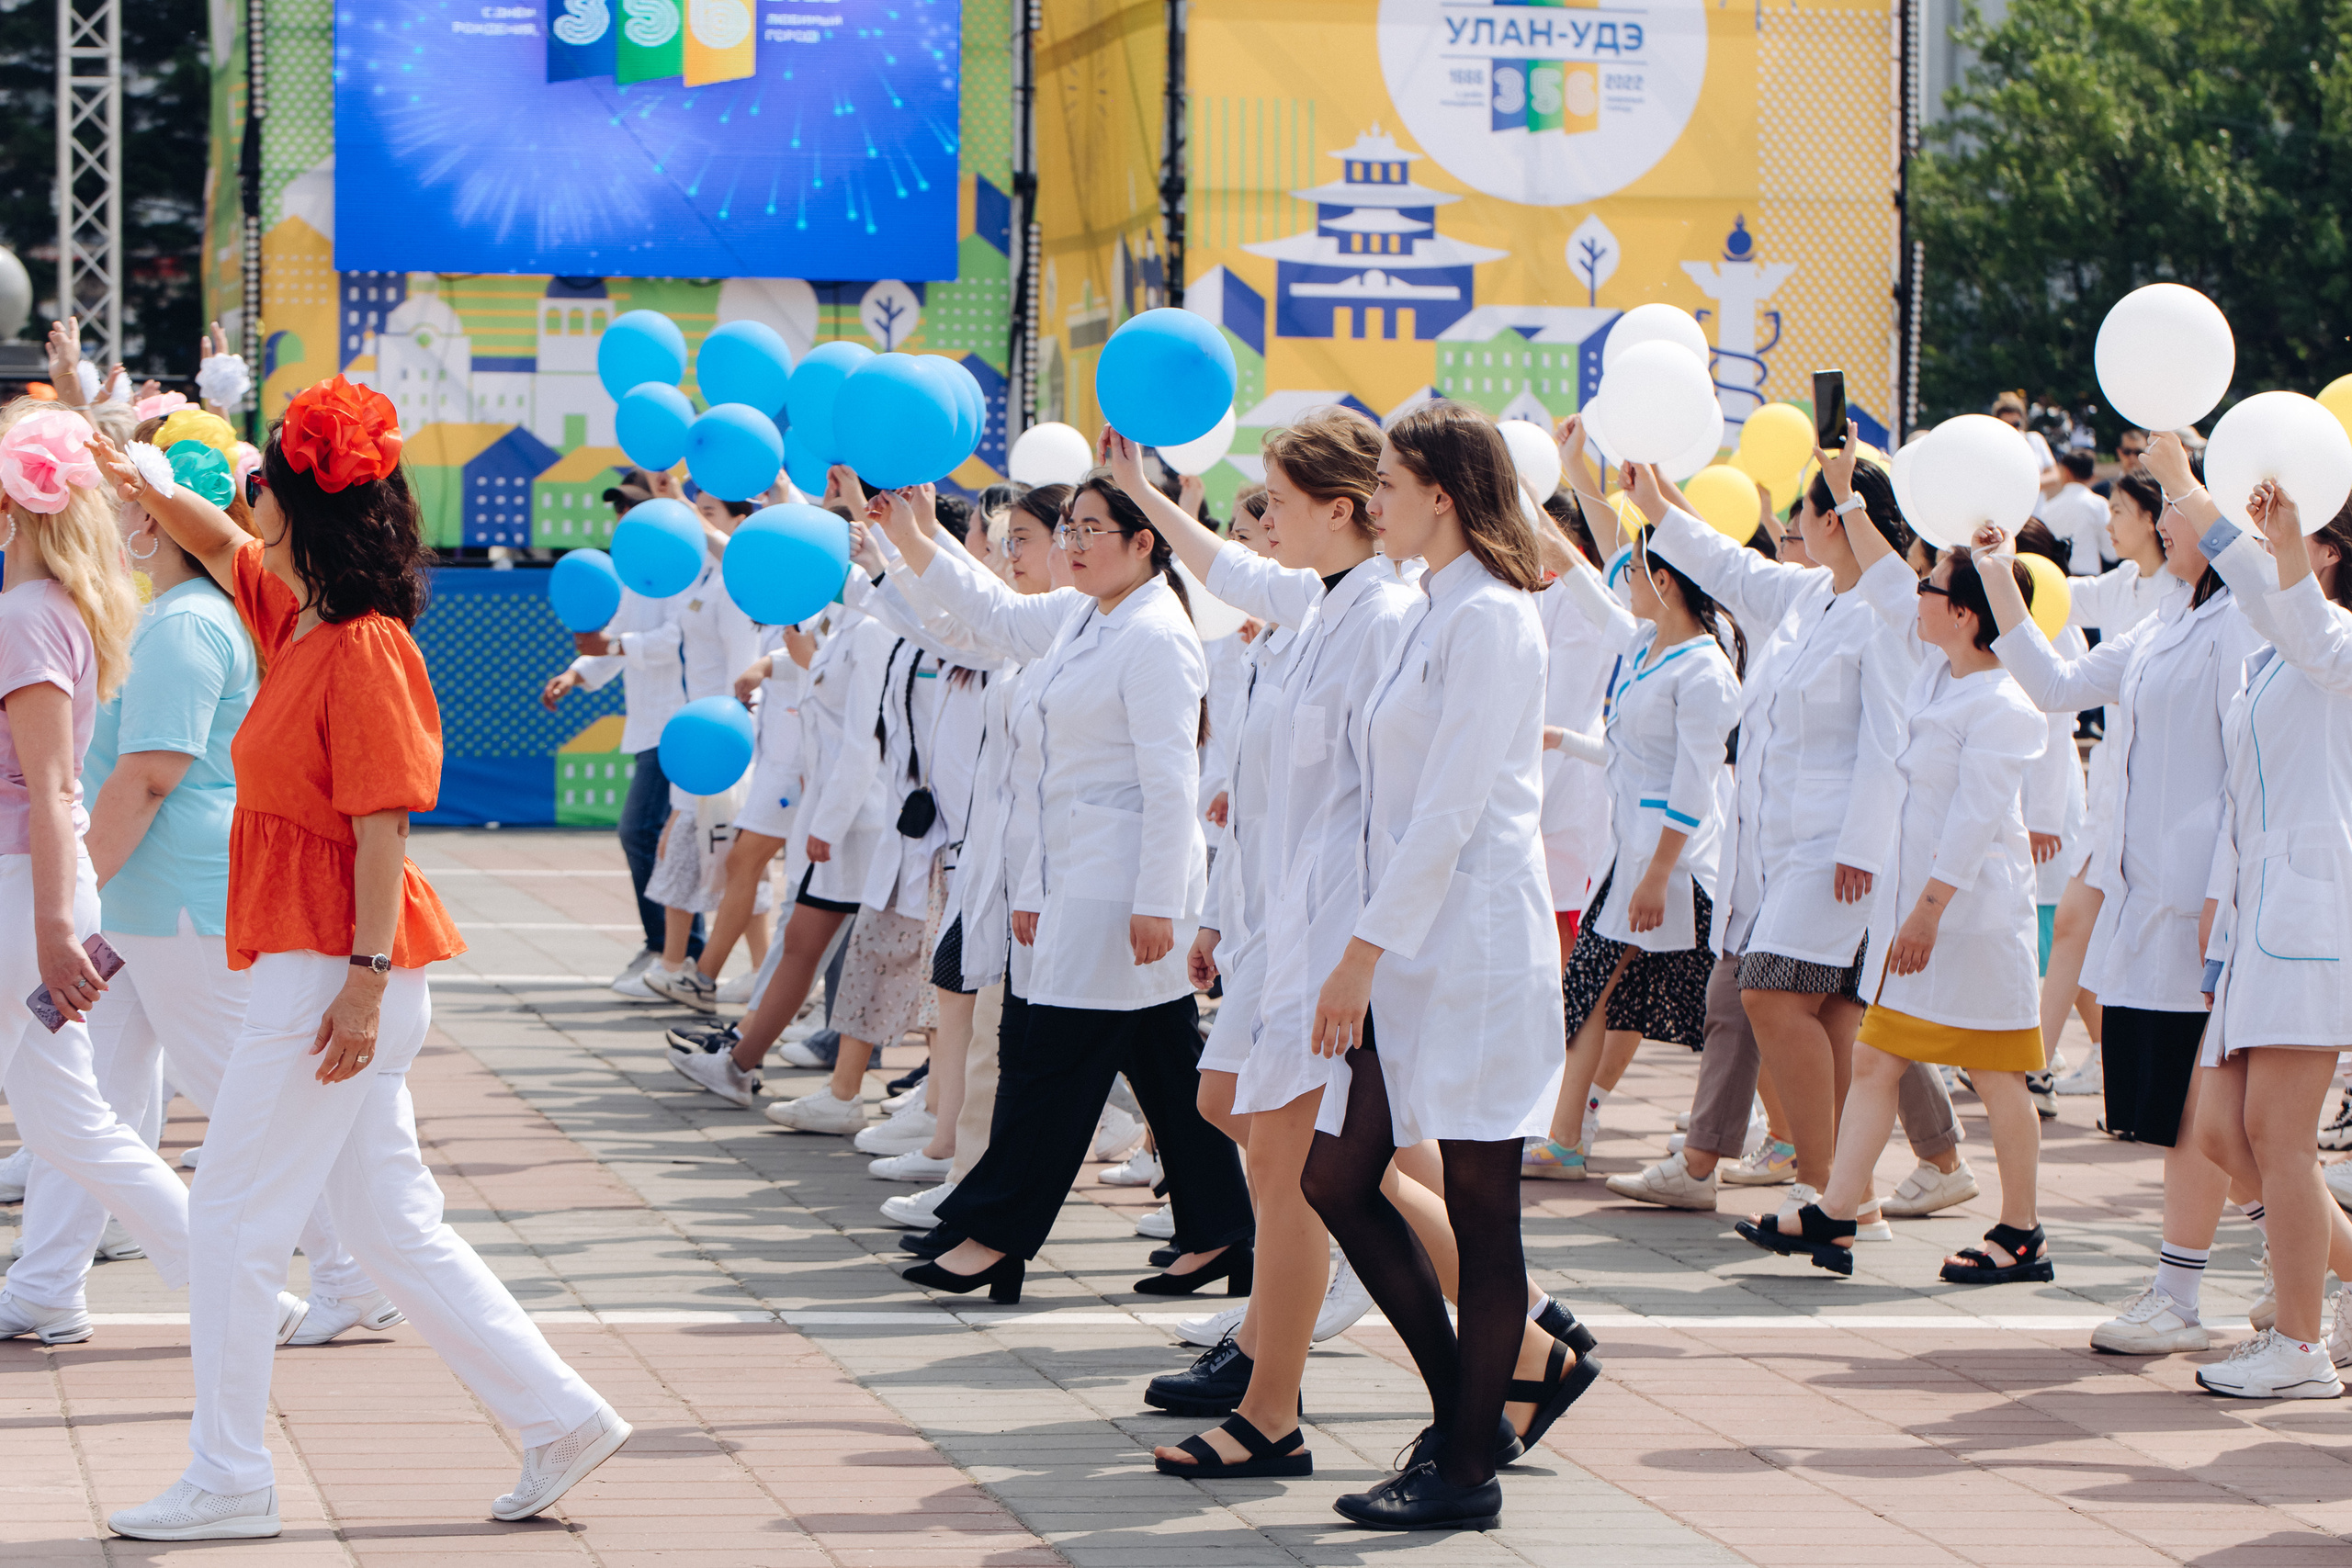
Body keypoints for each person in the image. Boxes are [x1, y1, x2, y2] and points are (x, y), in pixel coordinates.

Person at [92, 378, 626, 1540]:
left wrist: (364, 984)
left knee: (233, 1219)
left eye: (263, 487)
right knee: (389, 1225)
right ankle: (559, 1415)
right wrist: (137, 473)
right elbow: (218, 533)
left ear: (298, 507)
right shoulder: (301, 619)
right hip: (330, 967)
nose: (248, 503)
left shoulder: (362, 644)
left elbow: (386, 821)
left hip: (334, 969)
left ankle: (229, 1477)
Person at [12, 432, 400, 1348]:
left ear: (153, 521)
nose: (108, 521)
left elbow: (149, 775)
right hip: (147, 899)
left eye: (126, 508)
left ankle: (346, 1272)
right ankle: (45, 1283)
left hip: (172, 894)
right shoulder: (194, 608)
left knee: (239, 1097)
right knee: (89, 1103)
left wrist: (70, 891)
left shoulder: (186, 624)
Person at [1092, 412, 1413, 1480]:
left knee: (1294, 1169)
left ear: (1340, 507)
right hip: (1281, 927)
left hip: (1330, 936)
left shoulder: (1383, 617)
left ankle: (1269, 1408)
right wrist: (1136, 488)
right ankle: (1529, 1337)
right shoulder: (1314, 604)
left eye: (1275, 496)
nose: (1260, 515)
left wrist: (1359, 956)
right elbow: (1222, 562)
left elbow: (1395, 809)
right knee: (1233, 1113)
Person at [879, 468, 1253, 1307]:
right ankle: (1225, 1226)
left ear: (1143, 543)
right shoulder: (1086, 614)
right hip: (1068, 880)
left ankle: (995, 1232)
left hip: (1120, 893)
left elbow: (1171, 780)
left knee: (1047, 1062)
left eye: (1092, 530)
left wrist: (1160, 897)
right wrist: (912, 538)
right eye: (1071, 530)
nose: (1074, 544)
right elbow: (995, 615)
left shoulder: (1155, 635)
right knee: (1166, 1069)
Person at [1298, 401, 1566, 1532]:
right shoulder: (1424, 609)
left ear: (1443, 496)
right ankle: (1468, 1415)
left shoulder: (1494, 621)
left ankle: (1463, 1466)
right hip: (1416, 943)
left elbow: (1451, 811)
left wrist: (1356, 954)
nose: (1376, 505)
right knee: (1334, 1180)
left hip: (1474, 949)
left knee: (1481, 1205)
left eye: (1392, 487)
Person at [1984, 428, 2261, 1358]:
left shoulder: (2243, 627)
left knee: (2212, 1121)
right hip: (2146, 904)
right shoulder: (2165, 621)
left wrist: (2221, 889)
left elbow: (2241, 778)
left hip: (2205, 908)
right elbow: (2056, 684)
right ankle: (2235, 1284)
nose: (2166, 523)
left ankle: (2267, 1280)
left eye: (2179, 507)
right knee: (2191, 1119)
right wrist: (1994, 573)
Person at [1739, 547, 2052, 1283]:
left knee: (1997, 1071)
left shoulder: (2003, 703)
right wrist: (1850, 498)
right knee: (1877, 1057)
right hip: (1918, 916)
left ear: (1966, 612)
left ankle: (2022, 1230)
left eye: (1928, 585)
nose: (1915, 594)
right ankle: (1839, 1209)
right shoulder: (1937, 676)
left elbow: (1975, 822)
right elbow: (1880, 580)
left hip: (1966, 923)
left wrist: (1928, 912)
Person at [1636, 435, 1917, 1213]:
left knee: (1767, 993)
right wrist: (1655, 500)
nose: (1793, 525)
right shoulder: (1806, 597)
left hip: (1838, 849)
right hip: (1776, 843)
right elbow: (1727, 566)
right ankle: (1841, 1196)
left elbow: (1888, 743)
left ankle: (1829, 1187)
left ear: (1839, 520)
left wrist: (1864, 842)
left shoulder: (1886, 614)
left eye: (1805, 512)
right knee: (1820, 1009)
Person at [0, 402, 199, 1349]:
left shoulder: (27, 617)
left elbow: (45, 790)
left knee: (77, 1119)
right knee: (75, 1123)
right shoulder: (58, 610)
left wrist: (50, 932)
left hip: (21, 892)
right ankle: (234, 1287)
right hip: (34, 888)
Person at [2186, 484, 2352, 1394]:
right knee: (2222, 1130)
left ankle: (2298, 1347)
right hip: (2259, 919)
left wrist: (2194, 494)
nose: (2265, 543)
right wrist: (2183, 489)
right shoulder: (2274, 653)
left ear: (2329, 551)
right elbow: (2257, 589)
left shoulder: (2338, 645)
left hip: (2309, 916)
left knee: (2278, 1135)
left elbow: (2302, 622)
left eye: (2291, 533)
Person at [1545, 474, 1741, 1194]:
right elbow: (1580, 577)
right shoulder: (1647, 646)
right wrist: (1565, 740)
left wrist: (1660, 871)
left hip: (1678, 869)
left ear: (1664, 581)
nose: (1621, 583)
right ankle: (1567, 1135)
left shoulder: (1705, 672)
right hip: (1631, 859)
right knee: (1600, 990)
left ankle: (1783, 1141)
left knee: (1736, 1012)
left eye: (1632, 573)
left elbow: (1692, 782)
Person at [2045, 472, 2177, 1098]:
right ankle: (2030, 1065)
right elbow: (2059, 595)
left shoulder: (2186, 594)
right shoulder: (2120, 583)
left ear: (2154, 518)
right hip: (2112, 797)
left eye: (2120, 511)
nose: (2110, 523)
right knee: (2073, 926)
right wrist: (1993, 566)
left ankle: (2132, 1075)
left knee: (2136, 950)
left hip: (2158, 799)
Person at [541, 467, 695, 996]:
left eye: (632, 509)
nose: (623, 519)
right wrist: (576, 672)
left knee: (645, 833)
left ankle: (672, 950)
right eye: (620, 512)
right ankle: (678, 950)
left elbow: (677, 637)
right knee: (670, 839)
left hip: (685, 722)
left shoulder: (683, 563)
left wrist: (609, 649)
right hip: (654, 723)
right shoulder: (633, 575)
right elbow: (612, 640)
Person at [2036, 450, 2111, 576]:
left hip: (2058, 578)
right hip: (2091, 580)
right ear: (2092, 474)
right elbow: (2111, 552)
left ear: (2066, 472)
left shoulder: (2048, 508)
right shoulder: (2099, 504)